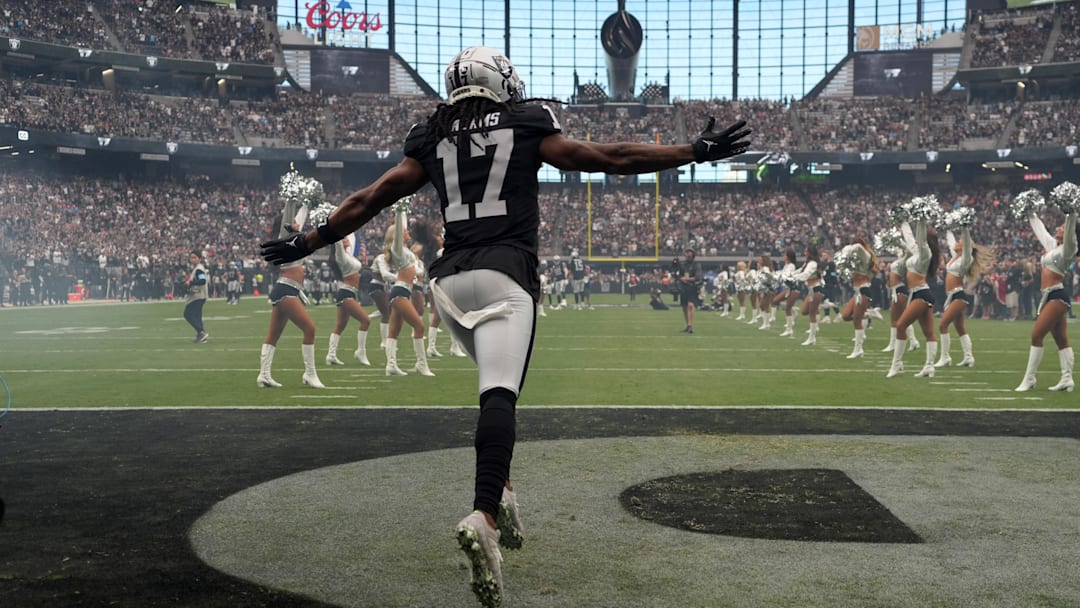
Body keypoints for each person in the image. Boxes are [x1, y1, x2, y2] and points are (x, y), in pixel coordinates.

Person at [260, 45, 750, 608]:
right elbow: (609, 157)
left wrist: (307, 240)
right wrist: (693, 149)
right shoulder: (524, 122)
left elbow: (370, 197)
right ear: (502, 82)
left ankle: (505, 494)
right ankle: (484, 516)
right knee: (499, 396)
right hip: (504, 275)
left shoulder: (432, 134)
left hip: (447, 286)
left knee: (493, 386)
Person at [257, 181, 326, 390]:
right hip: (286, 289)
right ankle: (310, 374)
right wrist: (292, 197)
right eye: (293, 223)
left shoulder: (294, 241)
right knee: (310, 329)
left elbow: (298, 221)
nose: (297, 225)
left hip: (287, 289)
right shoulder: (283, 240)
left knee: (274, 334)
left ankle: (263, 375)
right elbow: (291, 219)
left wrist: (307, 200)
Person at [1015, 197, 1076, 392]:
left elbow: (1070, 235)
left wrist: (1071, 212)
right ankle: (1067, 378)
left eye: (1062, 227)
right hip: (1048, 295)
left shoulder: (1069, 249)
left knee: (1036, 334)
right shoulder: (1053, 247)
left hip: (1057, 295)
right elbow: (1040, 231)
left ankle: (1029, 378)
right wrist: (1030, 212)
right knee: (1061, 338)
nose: (1058, 228)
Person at [380, 205, 435, 377]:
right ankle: (421, 364)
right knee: (419, 326)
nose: (406, 231)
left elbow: (417, 272)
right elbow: (398, 230)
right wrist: (398, 212)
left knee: (394, 330)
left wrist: (403, 209)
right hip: (399, 292)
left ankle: (391, 365)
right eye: (403, 231)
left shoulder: (406, 252)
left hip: (403, 292)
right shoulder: (398, 250)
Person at [886, 212, 942, 379]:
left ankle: (896, 365)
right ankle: (929, 367)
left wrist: (921, 219)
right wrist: (902, 221)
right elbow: (909, 236)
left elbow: (920, 238)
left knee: (901, 325)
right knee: (928, 332)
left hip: (921, 295)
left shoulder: (926, 254)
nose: (916, 240)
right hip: (919, 294)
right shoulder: (916, 251)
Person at [934, 226, 994, 368]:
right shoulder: (955, 258)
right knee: (960, 328)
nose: (956, 242)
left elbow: (966, 243)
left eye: (960, 241)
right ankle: (969, 357)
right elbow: (950, 242)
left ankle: (945, 357)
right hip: (951, 296)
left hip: (958, 296)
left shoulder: (966, 258)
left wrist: (964, 228)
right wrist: (948, 228)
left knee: (942, 324)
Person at [325, 225, 373, 367]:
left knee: (340, 325)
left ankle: (331, 355)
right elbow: (338, 243)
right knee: (365, 321)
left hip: (350, 292)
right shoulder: (341, 257)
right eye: (344, 238)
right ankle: (361, 352)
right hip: (346, 293)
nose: (347, 239)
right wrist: (337, 227)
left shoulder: (349, 256)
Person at [836, 240, 877, 358]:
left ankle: (858, 349)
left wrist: (847, 251)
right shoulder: (856, 259)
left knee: (857, 320)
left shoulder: (866, 256)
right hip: (857, 292)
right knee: (845, 316)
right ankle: (869, 314)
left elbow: (858, 246)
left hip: (864, 291)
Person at [793, 245, 823, 346]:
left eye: (806, 251)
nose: (804, 253)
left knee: (812, 313)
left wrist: (793, 278)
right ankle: (821, 306)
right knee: (805, 311)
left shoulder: (813, 264)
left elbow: (805, 275)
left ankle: (812, 339)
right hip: (811, 290)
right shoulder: (807, 263)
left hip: (816, 289)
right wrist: (788, 275)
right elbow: (799, 271)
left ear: (810, 253)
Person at [183, 251, 209, 344]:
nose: (192, 259)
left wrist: (191, 283)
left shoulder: (199, 269)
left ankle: (201, 332)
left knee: (188, 314)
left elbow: (202, 280)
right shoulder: (197, 269)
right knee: (197, 316)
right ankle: (201, 335)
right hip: (198, 295)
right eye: (191, 257)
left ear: (199, 258)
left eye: (194, 257)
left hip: (198, 295)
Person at [774, 249, 799, 338]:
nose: (784, 256)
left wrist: (779, 276)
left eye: (785, 255)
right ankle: (794, 311)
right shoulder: (786, 265)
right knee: (775, 301)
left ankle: (789, 330)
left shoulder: (791, 266)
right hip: (787, 289)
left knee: (787, 307)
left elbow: (786, 275)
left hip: (793, 289)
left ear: (788, 256)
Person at [678, 248, 703, 333]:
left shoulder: (696, 265)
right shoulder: (682, 265)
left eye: (689, 253)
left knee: (690, 305)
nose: (688, 254)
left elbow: (698, 277)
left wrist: (688, 279)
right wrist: (681, 278)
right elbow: (679, 275)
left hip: (692, 287)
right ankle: (687, 325)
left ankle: (690, 325)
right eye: (687, 252)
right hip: (684, 288)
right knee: (684, 307)